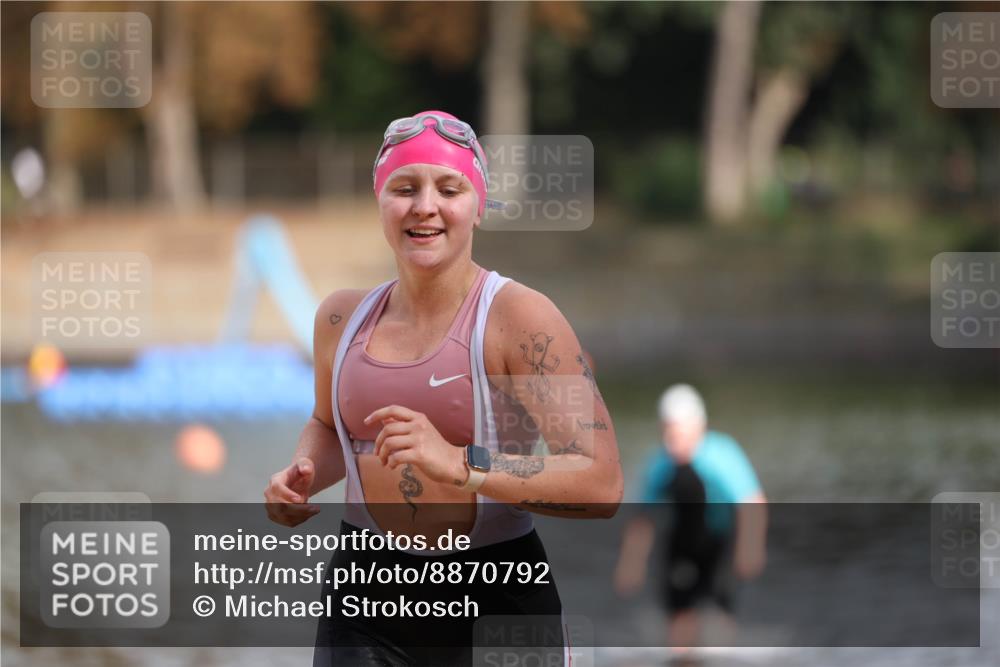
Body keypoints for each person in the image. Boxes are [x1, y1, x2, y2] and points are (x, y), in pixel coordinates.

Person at [263, 110, 624, 666]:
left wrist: (460, 464)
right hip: (364, 602)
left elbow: (601, 481)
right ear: (380, 202)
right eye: (403, 188)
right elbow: (329, 428)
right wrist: (300, 477)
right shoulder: (340, 319)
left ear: (477, 206)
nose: (424, 206)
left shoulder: (520, 319)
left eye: (449, 188)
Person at [614, 384, 766, 655]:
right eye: (668, 434)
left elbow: (752, 502)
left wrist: (750, 549)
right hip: (681, 541)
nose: (674, 443)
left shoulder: (721, 455)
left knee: (720, 609)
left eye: (680, 434)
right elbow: (642, 518)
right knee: (679, 611)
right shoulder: (660, 463)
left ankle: (721, 657)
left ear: (698, 428)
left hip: (719, 541)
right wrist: (632, 562)